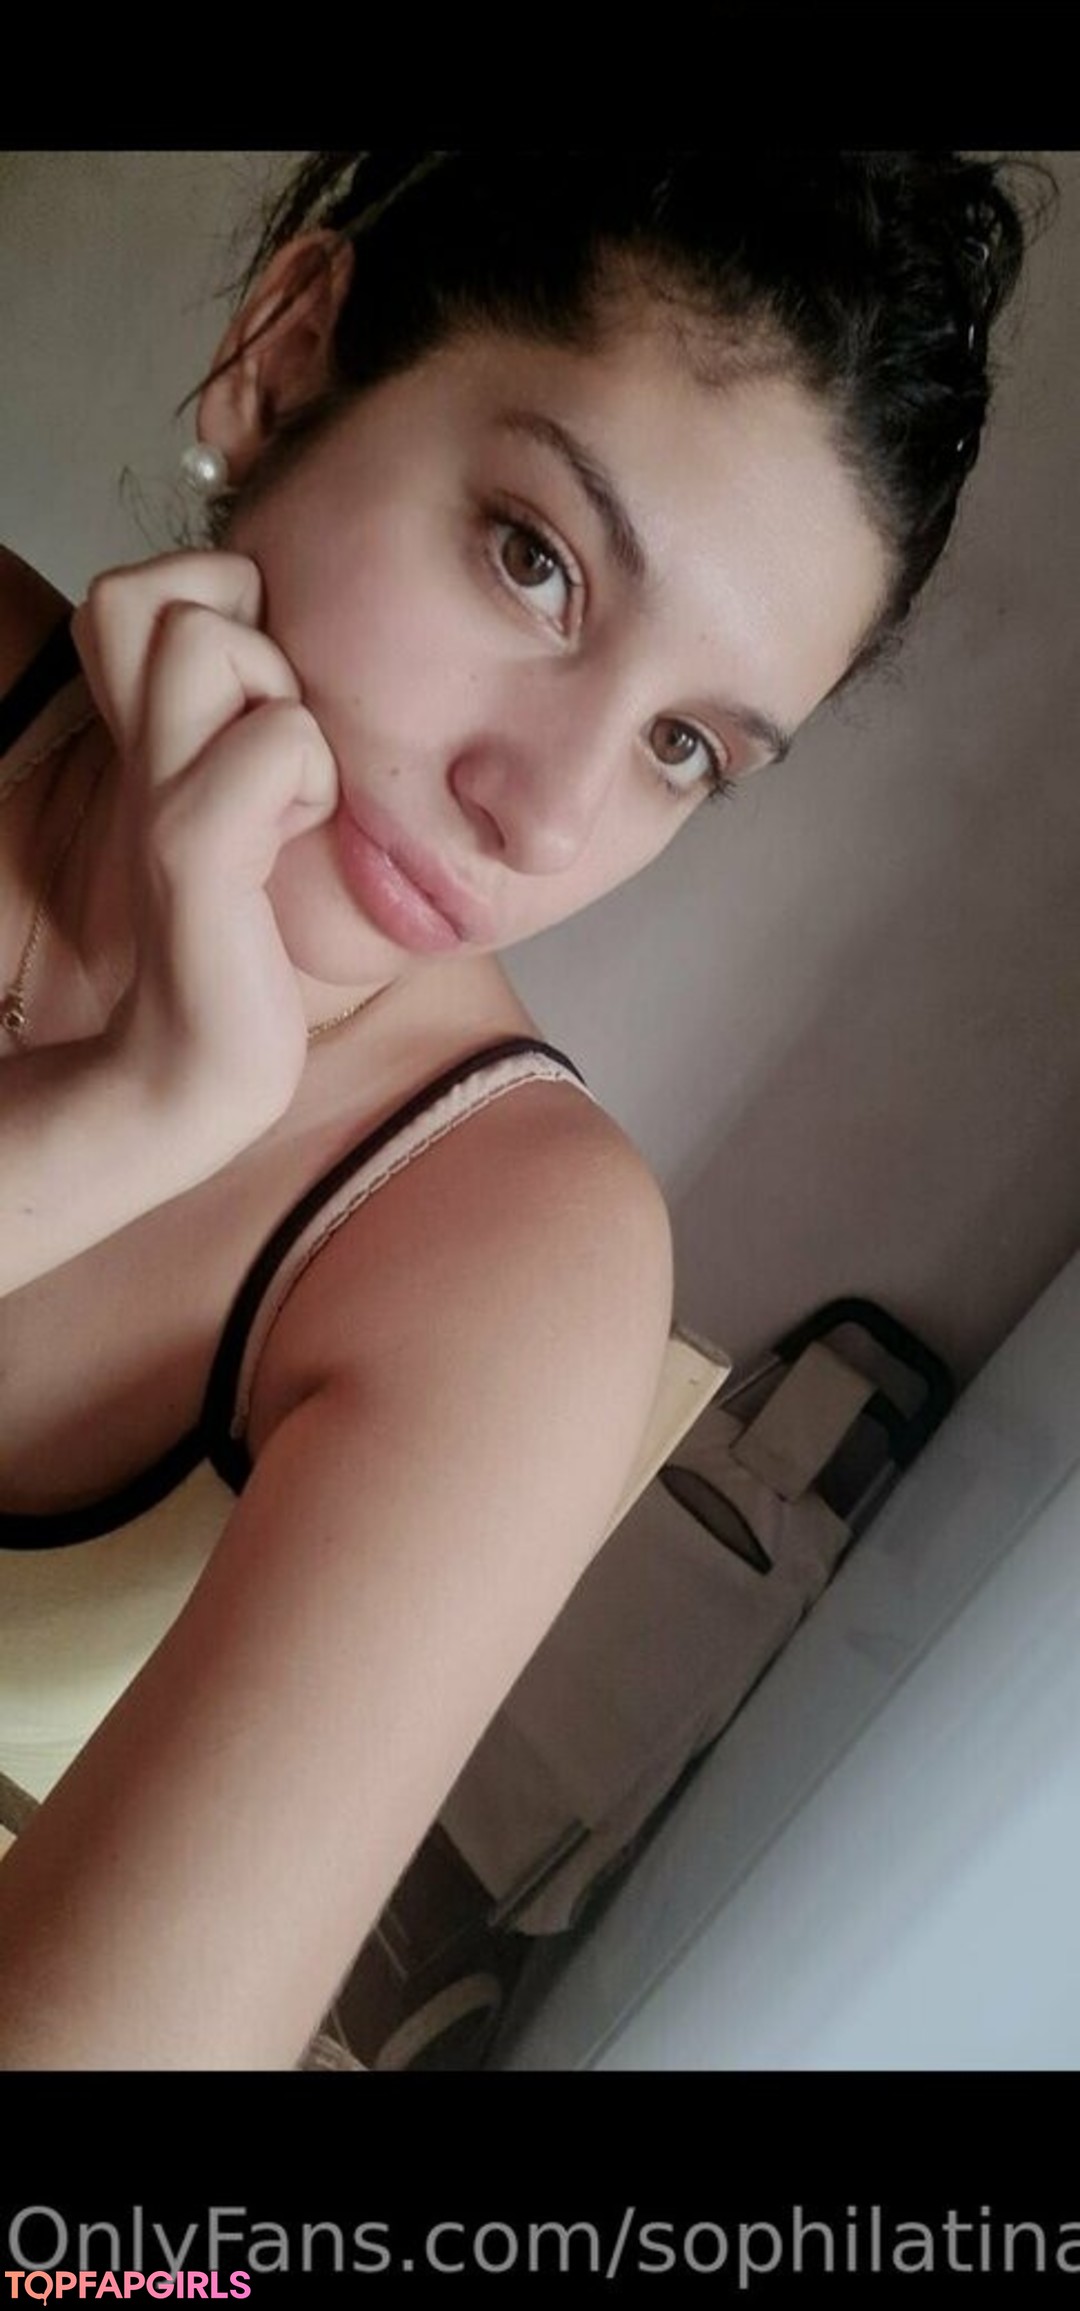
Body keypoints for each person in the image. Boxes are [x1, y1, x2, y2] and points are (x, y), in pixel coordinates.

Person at [0, 151, 1047, 2068]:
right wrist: (124, 1116)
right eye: (536, 559)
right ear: (285, 356)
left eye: (685, 749)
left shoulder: (509, 1256)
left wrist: (179, 1106)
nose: (546, 817)